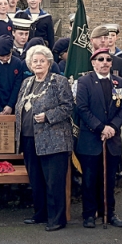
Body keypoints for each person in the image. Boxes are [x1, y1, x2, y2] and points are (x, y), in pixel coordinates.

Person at [15, 45, 74, 232]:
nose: (38, 64)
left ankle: (57, 219)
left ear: (49, 63)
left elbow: (68, 106)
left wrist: (48, 116)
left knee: (53, 181)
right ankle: (40, 214)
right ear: (30, 64)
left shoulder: (59, 81)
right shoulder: (26, 83)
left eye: (42, 61)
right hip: (29, 139)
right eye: (35, 61)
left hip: (54, 140)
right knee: (36, 179)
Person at [76, 48, 122, 228]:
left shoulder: (119, 82)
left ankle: (109, 212)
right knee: (90, 179)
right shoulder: (84, 82)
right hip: (91, 139)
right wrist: (101, 127)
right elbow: (82, 108)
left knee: (109, 179)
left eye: (108, 59)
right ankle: (89, 214)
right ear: (93, 63)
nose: (105, 62)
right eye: (100, 59)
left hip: (111, 139)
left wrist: (112, 127)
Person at [0, 35, 23, 115]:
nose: (5, 59)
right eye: (2, 56)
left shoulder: (17, 63)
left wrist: (10, 105)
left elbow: (17, 86)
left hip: (12, 105)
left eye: (8, 56)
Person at [104, 24, 122, 88]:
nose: (110, 37)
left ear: (117, 37)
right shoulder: (99, 55)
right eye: (108, 35)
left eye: (113, 35)